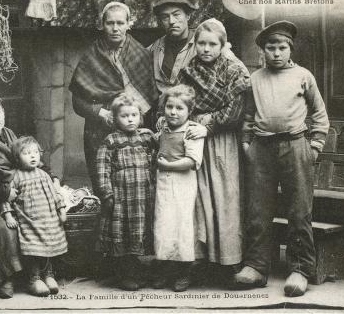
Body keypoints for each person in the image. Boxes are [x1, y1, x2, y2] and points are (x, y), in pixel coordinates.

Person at [234, 20, 329, 297]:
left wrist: (315, 146)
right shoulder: (255, 79)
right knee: (257, 209)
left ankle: (300, 269)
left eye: (282, 47)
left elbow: (319, 114)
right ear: (263, 51)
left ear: (290, 49)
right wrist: (246, 144)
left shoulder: (303, 76)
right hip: (261, 148)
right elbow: (249, 116)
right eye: (270, 48)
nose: (276, 53)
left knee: (299, 210)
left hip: (295, 145)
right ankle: (256, 266)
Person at [0, 93, 60, 298]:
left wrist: (51, 176)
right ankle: (4, 278)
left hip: (19, 192)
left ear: (4, 112)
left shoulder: (10, 134)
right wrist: (5, 192)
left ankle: (40, 274)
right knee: (1, 229)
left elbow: (28, 157)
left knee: (39, 218)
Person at [179, 18, 250, 280]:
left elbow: (235, 112)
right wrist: (192, 123)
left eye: (212, 44)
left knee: (225, 197)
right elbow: (180, 101)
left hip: (223, 142)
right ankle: (198, 259)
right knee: (197, 199)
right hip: (194, 140)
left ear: (223, 45)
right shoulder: (188, 71)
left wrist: (208, 125)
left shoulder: (235, 70)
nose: (206, 49)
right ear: (195, 44)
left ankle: (229, 260)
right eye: (201, 43)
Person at [70, 1, 158, 195]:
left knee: (136, 185)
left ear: (129, 24)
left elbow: (150, 98)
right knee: (106, 188)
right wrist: (102, 113)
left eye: (120, 22)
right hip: (101, 131)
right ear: (102, 24)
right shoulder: (92, 56)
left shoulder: (140, 54)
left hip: (136, 130)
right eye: (110, 23)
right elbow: (77, 102)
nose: (115, 28)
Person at [95, 94, 156, 291]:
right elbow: (102, 168)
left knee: (140, 231)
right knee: (122, 232)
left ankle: (139, 269)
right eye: (124, 116)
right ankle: (124, 273)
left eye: (134, 115)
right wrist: (107, 194)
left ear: (140, 116)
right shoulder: (111, 140)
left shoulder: (147, 136)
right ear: (115, 118)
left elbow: (157, 159)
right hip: (121, 197)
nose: (130, 119)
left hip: (143, 195)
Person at [153, 85, 205, 292]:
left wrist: (167, 165)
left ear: (189, 111)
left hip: (183, 184)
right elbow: (160, 140)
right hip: (163, 184)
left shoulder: (192, 131)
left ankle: (184, 271)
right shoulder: (163, 125)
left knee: (182, 225)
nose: (173, 112)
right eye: (169, 107)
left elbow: (191, 161)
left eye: (179, 108)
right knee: (164, 224)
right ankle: (165, 269)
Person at [2, 136, 68, 297]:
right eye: (26, 153)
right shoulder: (15, 176)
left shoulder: (44, 174)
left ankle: (49, 275)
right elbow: (6, 199)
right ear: (17, 158)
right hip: (28, 220)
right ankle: (34, 278)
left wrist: (61, 209)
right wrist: (8, 215)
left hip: (49, 218)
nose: (32, 156)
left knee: (49, 246)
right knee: (34, 249)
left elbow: (55, 194)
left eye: (35, 152)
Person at [149, 0, 240, 94]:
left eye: (176, 15)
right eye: (165, 17)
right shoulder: (155, 47)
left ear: (188, 16)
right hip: (164, 106)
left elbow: (240, 74)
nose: (171, 21)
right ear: (161, 22)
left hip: (198, 105)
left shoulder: (206, 43)